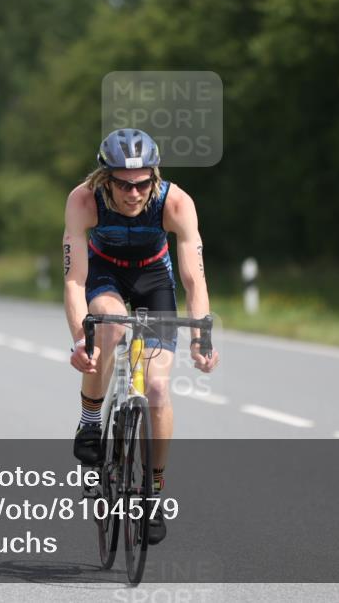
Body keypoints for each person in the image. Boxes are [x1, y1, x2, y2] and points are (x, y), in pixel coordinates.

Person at [63, 128, 220, 544]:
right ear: (104, 179)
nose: (133, 193)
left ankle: (152, 492)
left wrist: (200, 337)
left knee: (155, 388)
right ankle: (91, 420)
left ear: (154, 175)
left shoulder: (176, 202)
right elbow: (75, 281)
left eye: (142, 183)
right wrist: (82, 339)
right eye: (122, 184)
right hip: (104, 274)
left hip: (154, 278)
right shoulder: (83, 200)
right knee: (109, 324)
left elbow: (193, 278)